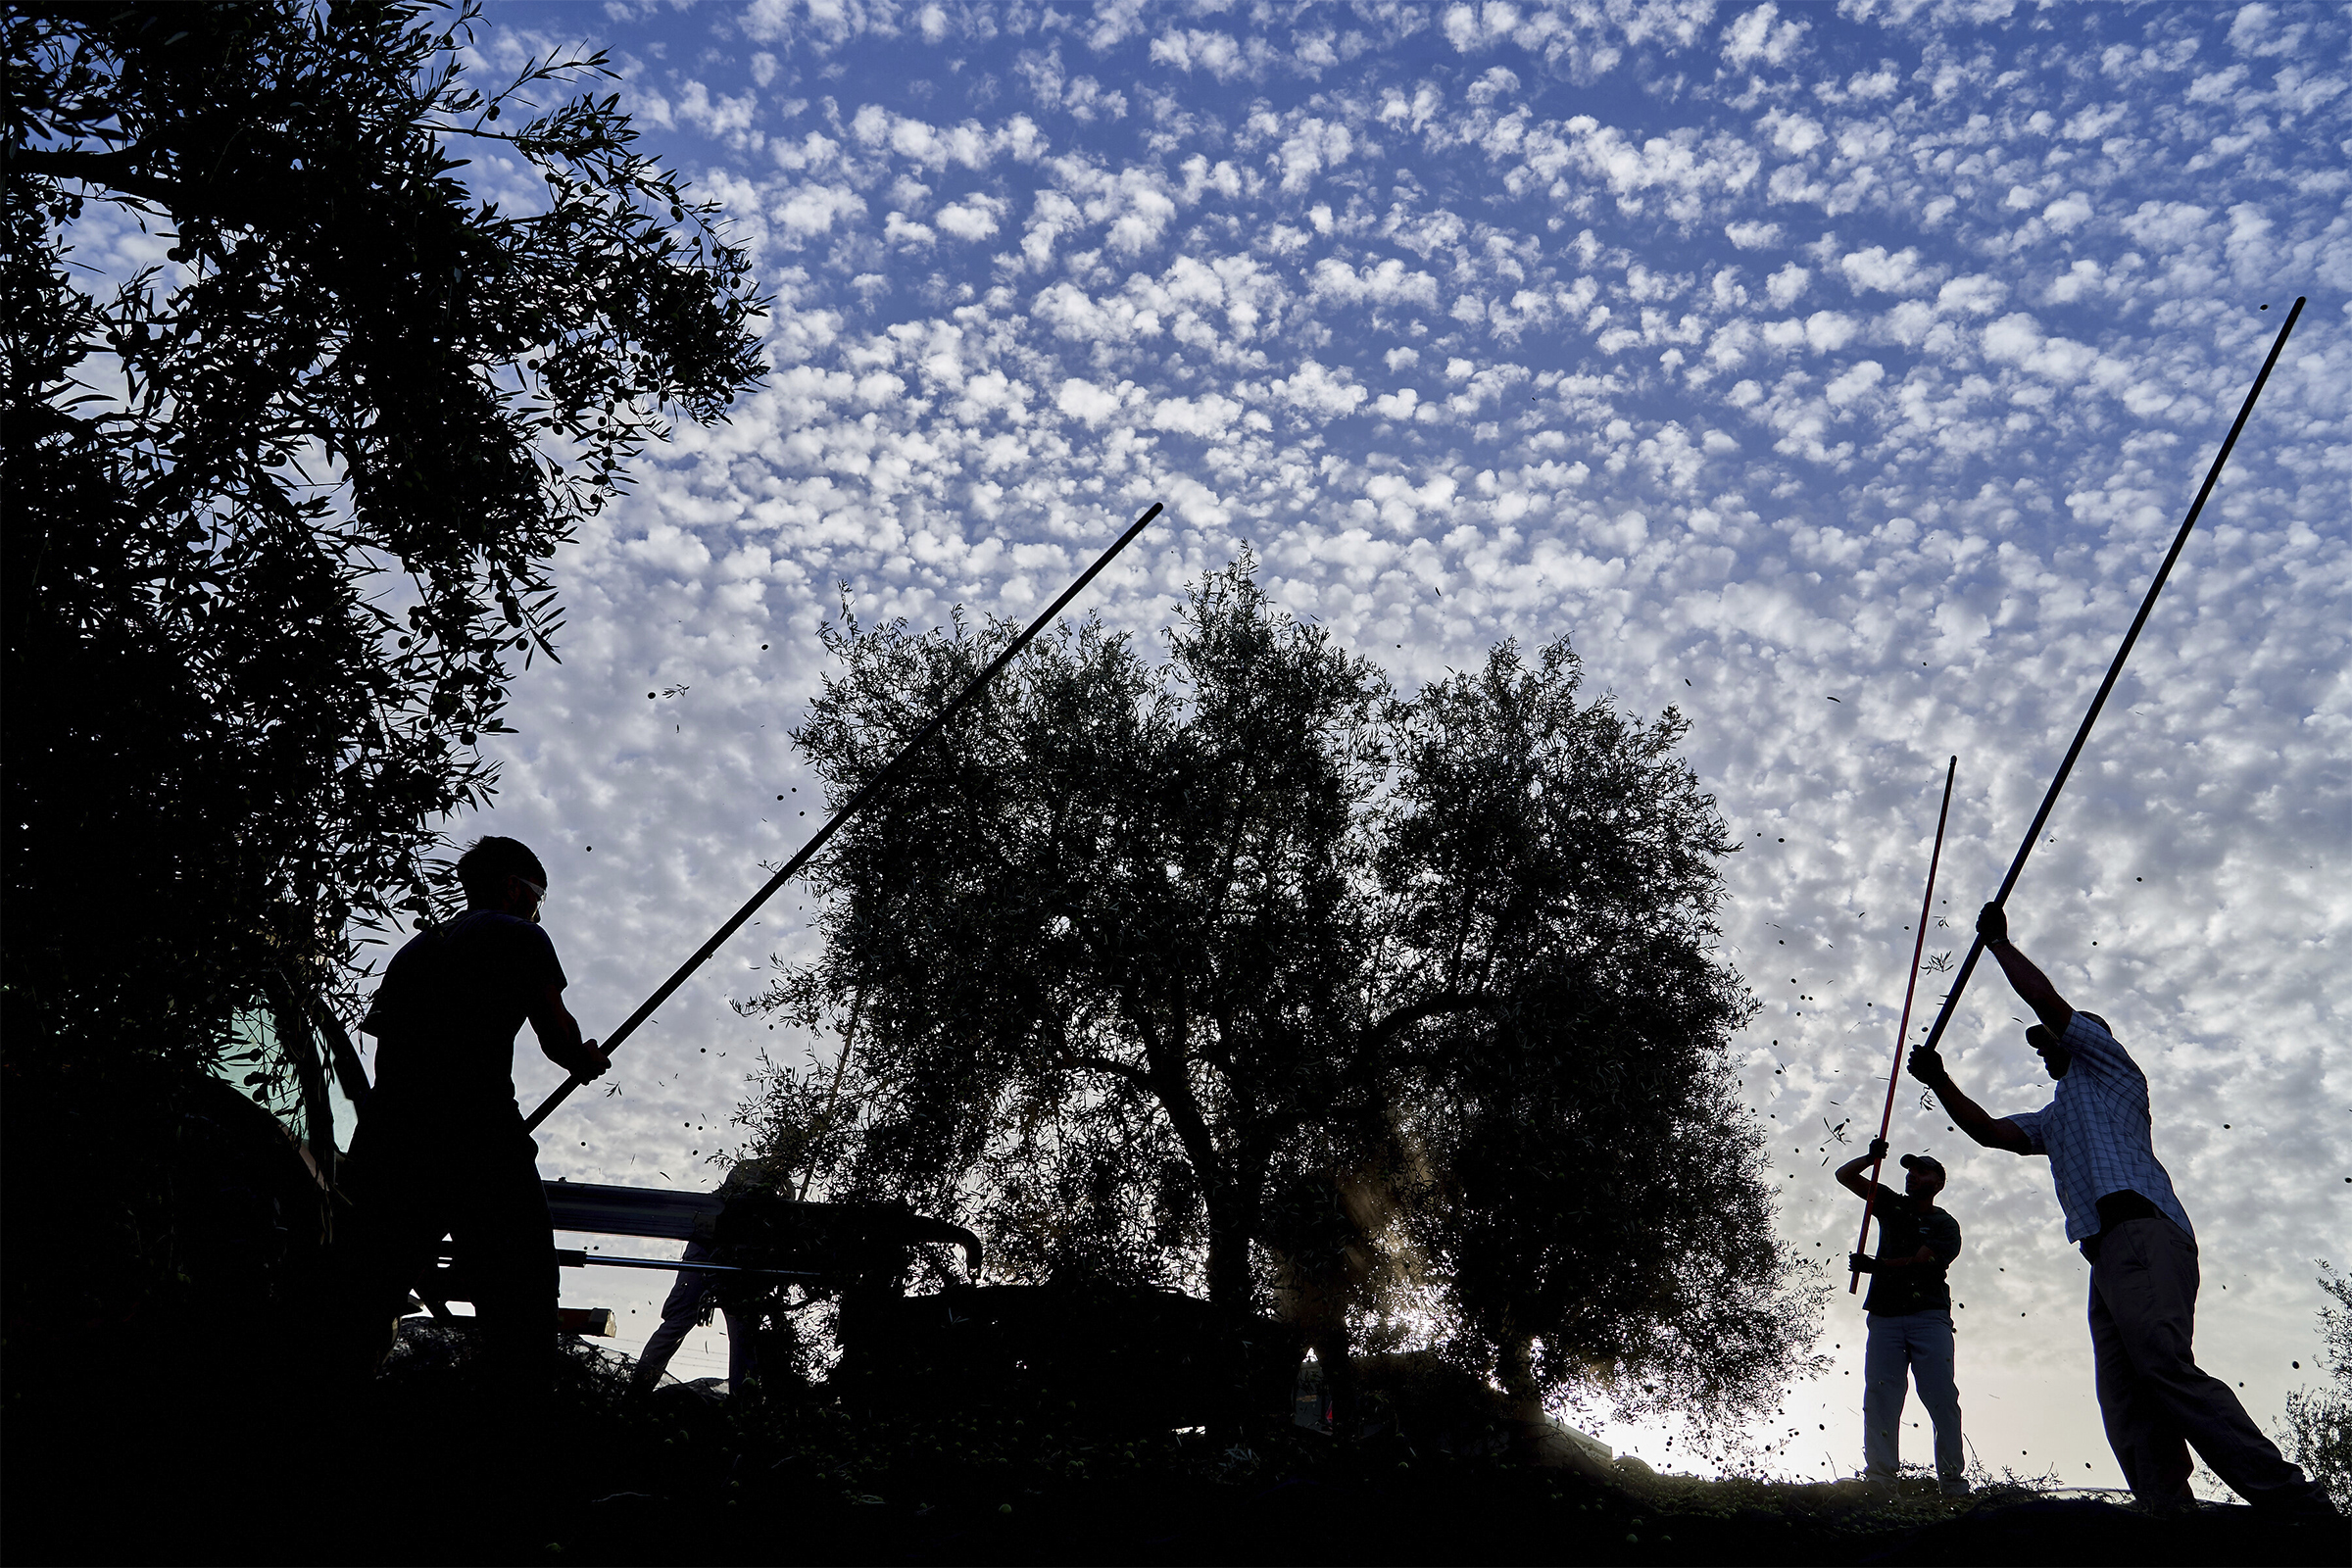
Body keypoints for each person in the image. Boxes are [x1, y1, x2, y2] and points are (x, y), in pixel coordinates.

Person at [1907, 903, 2336, 1517]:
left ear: (2088, 1038)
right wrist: (1940, 1081)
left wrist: (2001, 946)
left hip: (2143, 1231)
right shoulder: (2058, 1117)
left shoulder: (2113, 1070)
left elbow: (2051, 1007)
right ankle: (2166, 1512)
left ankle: (2291, 1500)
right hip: (2107, 1253)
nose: (2043, 1047)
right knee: (2124, 1394)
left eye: (2052, 1040)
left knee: (2162, 1363)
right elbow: (1988, 1132)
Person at [333, 836, 610, 1398]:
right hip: (480, 1143)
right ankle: (510, 1443)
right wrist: (585, 1058)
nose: (537, 910)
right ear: (513, 887)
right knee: (521, 1303)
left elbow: (388, 1053)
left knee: (361, 1299)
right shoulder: (520, 935)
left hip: (388, 1141)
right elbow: (558, 1040)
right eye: (537, 897)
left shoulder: (415, 950)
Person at [1836, 1139, 1967, 1495]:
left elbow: (1922, 1261)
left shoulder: (1945, 1225)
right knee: (1880, 1395)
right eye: (1909, 1169)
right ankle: (1880, 1480)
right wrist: (1869, 1157)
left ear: (1938, 1182)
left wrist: (1875, 1266)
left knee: (1940, 1397)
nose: (1912, 1175)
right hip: (1884, 1315)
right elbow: (1844, 1175)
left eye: (1922, 1170)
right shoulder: (1892, 1204)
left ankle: (1953, 1484)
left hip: (1929, 1316)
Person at [629, 1155, 789, 1395]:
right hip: (707, 1252)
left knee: (743, 1334)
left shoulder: (779, 1186)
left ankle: (743, 1404)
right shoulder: (745, 1173)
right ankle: (637, 1393)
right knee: (680, 1323)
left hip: (742, 1262)